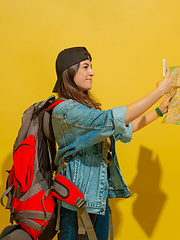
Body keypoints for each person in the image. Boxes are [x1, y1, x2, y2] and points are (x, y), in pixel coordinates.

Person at [52, 46, 173, 240]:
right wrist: (158, 92)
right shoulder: (67, 111)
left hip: (96, 202)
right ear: (70, 71)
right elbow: (112, 119)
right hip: (77, 207)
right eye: (85, 67)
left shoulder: (84, 109)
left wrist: (159, 111)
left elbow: (122, 128)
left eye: (91, 66)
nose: (92, 72)